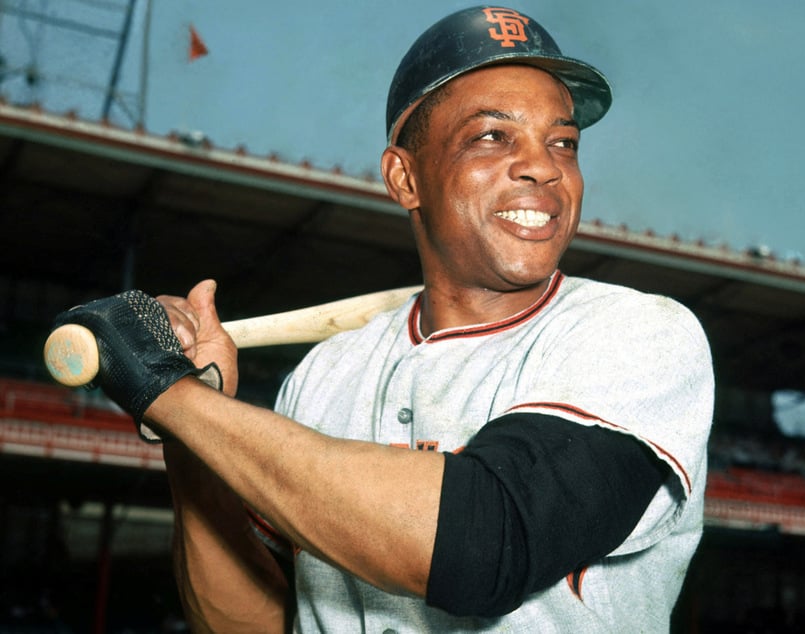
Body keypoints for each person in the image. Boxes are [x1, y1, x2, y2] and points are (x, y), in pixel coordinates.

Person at [53, 6, 714, 632]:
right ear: (404, 178)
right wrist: (191, 429)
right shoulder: (323, 376)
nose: (543, 167)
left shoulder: (638, 335)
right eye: (491, 135)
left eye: (563, 142)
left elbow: (485, 544)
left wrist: (165, 393)